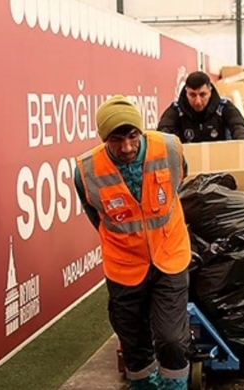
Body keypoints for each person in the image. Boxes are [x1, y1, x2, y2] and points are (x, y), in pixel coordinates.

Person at [73, 95, 192, 390]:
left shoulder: (169, 148)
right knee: (134, 347)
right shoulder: (86, 172)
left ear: (141, 131)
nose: (126, 147)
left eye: (132, 136)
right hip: (124, 265)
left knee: (172, 341)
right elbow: (95, 214)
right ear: (104, 139)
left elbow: (180, 182)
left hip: (170, 255)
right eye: (116, 140)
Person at [157, 71, 244, 143]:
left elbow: (240, 129)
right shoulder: (176, 110)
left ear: (210, 90)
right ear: (186, 92)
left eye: (202, 95)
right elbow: (162, 134)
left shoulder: (224, 108)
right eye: (192, 95)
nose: (198, 101)